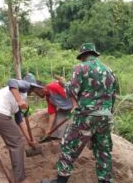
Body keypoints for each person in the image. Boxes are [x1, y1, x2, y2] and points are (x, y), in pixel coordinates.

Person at [42, 43, 118, 183]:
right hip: (106, 116)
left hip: (86, 115)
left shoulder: (80, 67)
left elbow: (72, 92)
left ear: (83, 56)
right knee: (103, 151)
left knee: (68, 146)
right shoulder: (109, 70)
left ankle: (61, 181)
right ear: (94, 54)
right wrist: (108, 112)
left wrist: (64, 84)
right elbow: (113, 95)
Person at [0, 74, 44, 183]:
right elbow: (12, 81)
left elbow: (19, 121)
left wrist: (29, 139)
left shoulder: (18, 94)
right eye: (33, 88)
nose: (32, 91)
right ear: (32, 86)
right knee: (17, 142)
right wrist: (19, 101)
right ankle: (20, 179)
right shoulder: (24, 86)